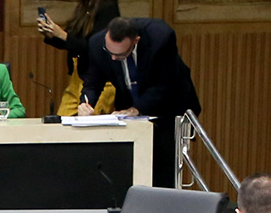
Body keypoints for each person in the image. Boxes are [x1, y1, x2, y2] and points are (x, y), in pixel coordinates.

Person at [79, 16, 201, 187]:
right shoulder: (97, 43)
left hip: (167, 108)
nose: (113, 58)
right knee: (129, 166)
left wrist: (137, 109)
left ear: (135, 41)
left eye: (119, 54)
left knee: (162, 169)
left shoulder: (161, 38)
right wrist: (86, 103)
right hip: (129, 109)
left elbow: (166, 84)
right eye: (109, 52)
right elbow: (93, 82)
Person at [34, 0, 120, 116]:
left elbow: (94, 48)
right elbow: (73, 41)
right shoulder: (86, 5)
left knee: (89, 125)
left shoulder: (108, 10)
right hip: (77, 76)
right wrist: (51, 34)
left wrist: (62, 34)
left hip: (99, 81)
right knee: (62, 122)